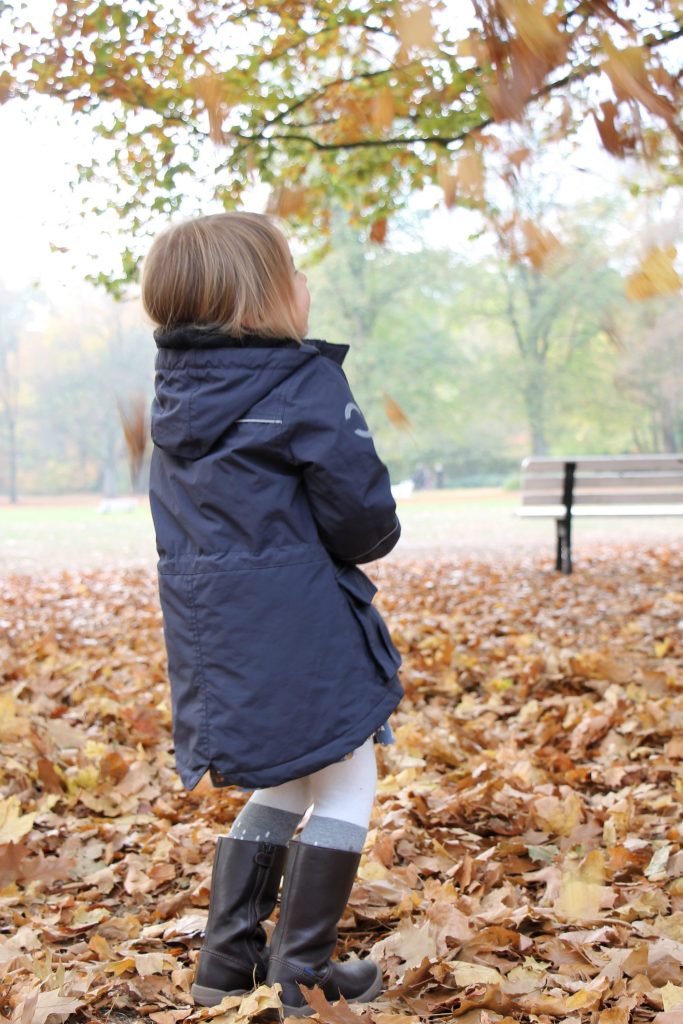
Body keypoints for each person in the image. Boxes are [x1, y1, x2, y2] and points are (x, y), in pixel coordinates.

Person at [141, 212, 403, 1018]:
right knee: (349, 776)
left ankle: (226, 961)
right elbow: (363, 519)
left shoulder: (175, 396)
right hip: (298, 621)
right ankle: (304, 970)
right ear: (262, 298)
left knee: (291, 775)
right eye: (294, 268)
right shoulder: (299, 384)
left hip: (214, 629)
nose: (306, 282)